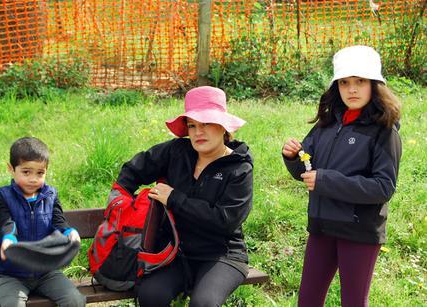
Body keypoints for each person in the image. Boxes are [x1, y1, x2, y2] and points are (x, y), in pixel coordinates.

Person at [110, 86, 253, 306]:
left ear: (223, 126)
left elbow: (225, 221)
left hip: (221, 256)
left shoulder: (239, 168)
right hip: (176, 253)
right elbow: (133, 170)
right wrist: (122, 202)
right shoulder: (177, 151)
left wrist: (174, 198)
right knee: (150, 295)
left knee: (203, 303)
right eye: (192, 125)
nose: (198, 132)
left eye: (206, 123)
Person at [282, 45, 402, 307]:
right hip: (322, 227)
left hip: (359, 231)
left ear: (374, 85)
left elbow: (383, 187)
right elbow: (307, 170)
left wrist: (325, 181)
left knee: (353, 302)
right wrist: (293, 158)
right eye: (344, 82)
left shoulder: (385, 131)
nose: (352, 89)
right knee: (308, 301)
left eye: (360, 81)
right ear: (336, 86)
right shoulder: (326, 123)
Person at [0, 137, 86, 307]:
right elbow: (7, 222)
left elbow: (59, 220)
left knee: (74, 300)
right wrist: (9, 239)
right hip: (12, 275)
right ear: (11, 169)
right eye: (26, 172)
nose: (33, 179)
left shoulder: (50, 195)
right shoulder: (2, 196)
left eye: (40, 173)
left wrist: (69, 232)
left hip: (47, 272)